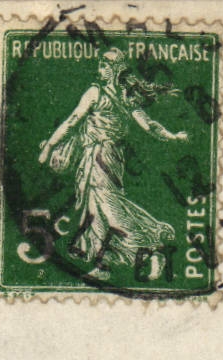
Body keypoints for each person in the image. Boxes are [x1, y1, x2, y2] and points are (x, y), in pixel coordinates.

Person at [36, 48, 189, 279]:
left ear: (116, 69)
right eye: (100, 65)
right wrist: (172, 136)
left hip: (101, 157)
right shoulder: (125, 96)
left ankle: (152, 250)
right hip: (108, 158)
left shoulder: (97, 93)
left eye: (105, 65)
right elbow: (150, 126)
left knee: (108, 209)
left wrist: (49, 146)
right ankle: (103, 265)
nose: (100, 69)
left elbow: (72, 121)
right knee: (96, 209)